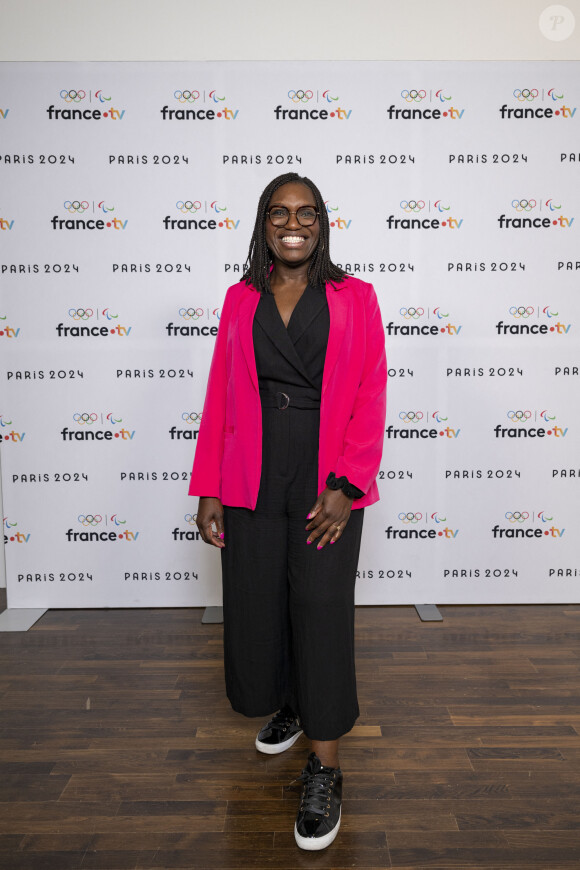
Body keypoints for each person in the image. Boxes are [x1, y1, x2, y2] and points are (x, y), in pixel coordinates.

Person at [188, 172, 387, 851]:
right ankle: (293, 705)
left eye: (306, 212)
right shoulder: (240, 298)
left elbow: (370, 390)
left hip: (324, 472)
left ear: (323, 222)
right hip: (251, 471)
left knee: (322, 610)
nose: (293, 223)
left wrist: (347, 483)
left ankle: (327, 768)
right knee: (260, 603)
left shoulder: (355, 298)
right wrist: (209, 484)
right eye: (280, 212)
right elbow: (221, 391)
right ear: (264, 224)